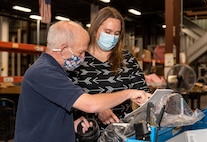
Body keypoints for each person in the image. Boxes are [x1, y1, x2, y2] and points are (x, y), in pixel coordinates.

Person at [14, 21, 151, 142]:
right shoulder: (44, 73)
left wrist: (69, 125)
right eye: (80, 52)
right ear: (63, 49)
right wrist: (129, 94)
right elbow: (90, 104)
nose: (83, 57)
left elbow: (48, 114)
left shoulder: (56, 70)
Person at [69, 6, 151, 140]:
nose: (112, 37)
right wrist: (96, 110)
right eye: (108, 31)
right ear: (95, 29)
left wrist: (154, 100)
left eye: (117, 33)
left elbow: (142, 90)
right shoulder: (79, 58)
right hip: (88, 133)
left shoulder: (127, 59)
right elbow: (68, 98)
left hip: (124, 133)